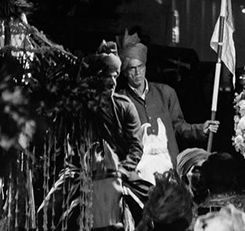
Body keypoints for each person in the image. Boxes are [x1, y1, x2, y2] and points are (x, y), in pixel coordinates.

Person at [118, 30, 219, 171]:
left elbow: (178, 126)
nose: (137, 72)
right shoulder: (120, 101)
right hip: (138, 172)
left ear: (145, 66)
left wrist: (201, 129)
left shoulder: (166, 93)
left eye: (140, 66)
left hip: (168, 168)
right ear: (124, 72)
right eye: (132, 68)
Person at [86, 41, 149, 227]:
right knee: (52, 207)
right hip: (86, 174)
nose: (112, 81)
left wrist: (122, 170)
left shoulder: (125, 106)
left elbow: (136, 146)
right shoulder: (83, 109)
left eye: (115, 76)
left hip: (121, 173)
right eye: (107, 76)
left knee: (154, 205)